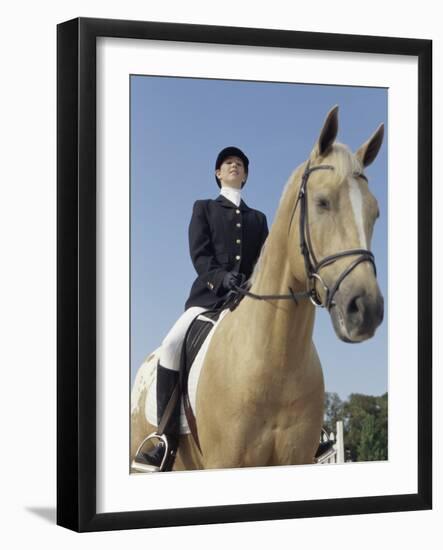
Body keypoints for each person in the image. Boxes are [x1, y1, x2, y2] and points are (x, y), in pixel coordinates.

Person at [136, 146, 269, 471]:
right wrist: (222, 278)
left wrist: (254, 284)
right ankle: (165, 439)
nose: (234, 166)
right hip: (208, 299)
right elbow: (200, 254)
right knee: (170, 346)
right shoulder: (204, 208)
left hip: (248, 302)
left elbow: (267, 261)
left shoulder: (258, 218)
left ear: (246, 175)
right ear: (218, 173)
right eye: (228, 163)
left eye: (239, 164)